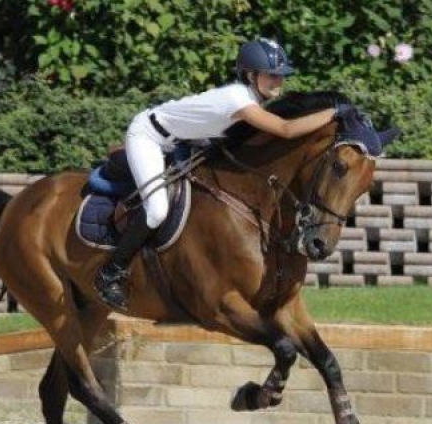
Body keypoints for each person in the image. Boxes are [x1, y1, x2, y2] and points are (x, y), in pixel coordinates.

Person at [95, 37, 352, 310]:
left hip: (184, 140)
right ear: (251, 75)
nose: (279, 81)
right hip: (148, 136)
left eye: (281, 76)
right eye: (272, 75)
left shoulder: (251, 98)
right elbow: (285, 130)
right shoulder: (237, 99)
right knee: (157, 209)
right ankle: (111, 272)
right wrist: (334, 113)